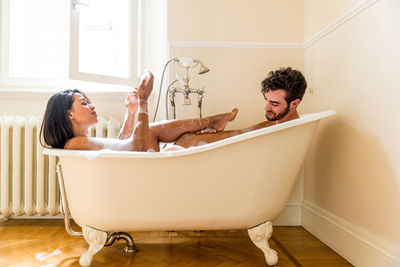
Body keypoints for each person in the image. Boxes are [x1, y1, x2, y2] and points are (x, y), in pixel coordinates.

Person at [40, 71, 238, 151]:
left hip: (137, 173)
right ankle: (213, 122)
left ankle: (215, 123)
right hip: (140, 176)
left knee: (186, 140)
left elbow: (120, 147)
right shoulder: (75, 144)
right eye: (84, 103)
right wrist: (143, 103)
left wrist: (131, 113)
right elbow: (137, 146)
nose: (91, 106)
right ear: (69, 114)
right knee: (151, 131)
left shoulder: (78, 142)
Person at [173, 66, 307, 148]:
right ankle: (213, 122)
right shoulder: (276, 123)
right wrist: (217, 136)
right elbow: (240, 134)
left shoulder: (288, 132)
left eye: (274, 103)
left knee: (184, 140)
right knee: (184, 138)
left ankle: (213, 121)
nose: (266, 108)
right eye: (266, 100)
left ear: (294, 103)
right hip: (230, 144)